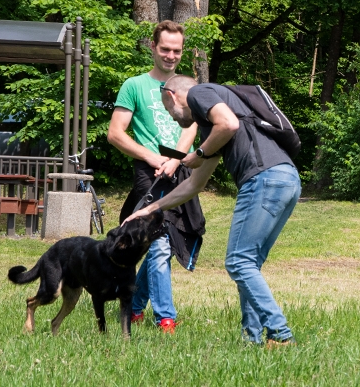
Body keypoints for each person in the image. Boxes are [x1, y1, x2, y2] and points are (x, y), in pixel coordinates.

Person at [124, 75, 300, 346]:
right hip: (286, 180)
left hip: (262, 178)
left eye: (168, 111)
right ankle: (251, 339)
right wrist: (151, 209)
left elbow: (229, 124)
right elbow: (194, 185)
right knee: (248, 264)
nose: (172, 118)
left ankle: (280, 333)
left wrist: (200, 153)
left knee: (238, 262)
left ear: (172, 96)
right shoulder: (211, 127)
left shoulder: (199, 93)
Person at [107, 21, 199, 333]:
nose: (171, 55)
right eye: (165, 49)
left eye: (177, 50)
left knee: (168, 243)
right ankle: (166, 319)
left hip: (181, 170)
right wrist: (152, 157)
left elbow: (192, 125)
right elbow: (115, 134)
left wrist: (176, 159)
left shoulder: (188, 86)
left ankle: (134, 307)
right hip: (150, 174)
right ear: (153, 48)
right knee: (159, 243)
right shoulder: (134, 85)